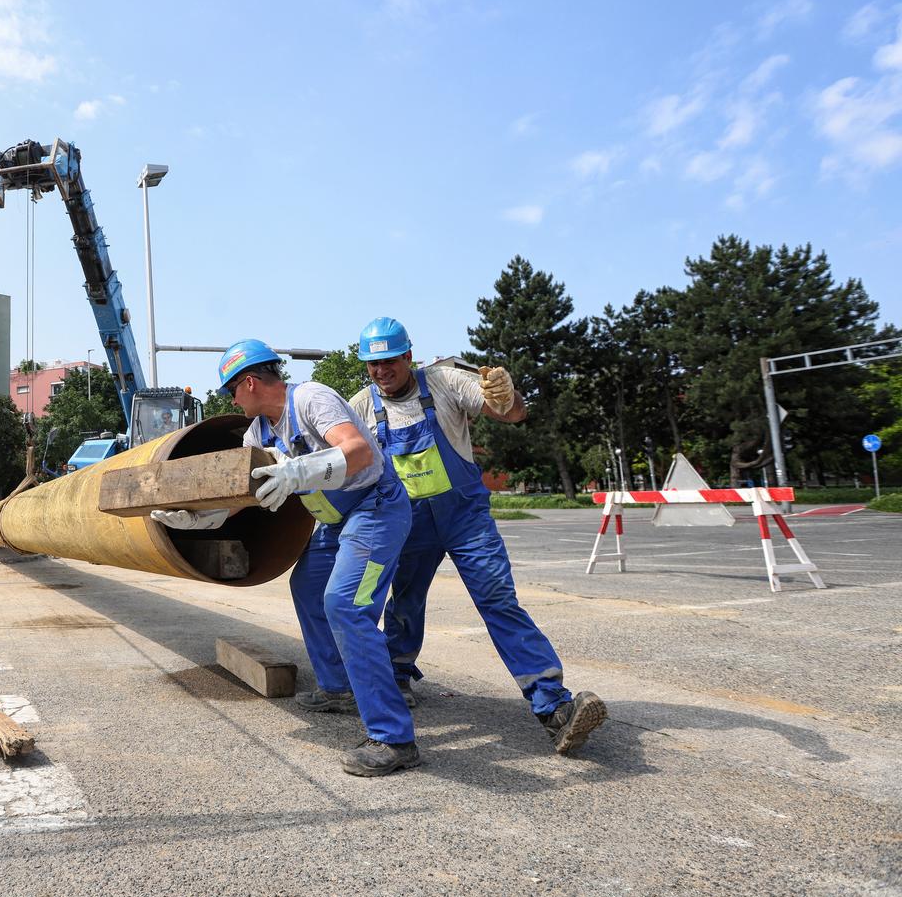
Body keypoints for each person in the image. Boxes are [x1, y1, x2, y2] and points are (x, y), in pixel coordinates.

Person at [153, 340, 420, 777]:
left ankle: (394, 738)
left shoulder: (311, 397)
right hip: (337, 521)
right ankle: (337, 688)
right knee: (308, 586)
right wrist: (202, 519)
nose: (231, 400)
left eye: (230, 391)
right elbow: (247, 495)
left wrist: (298, 470)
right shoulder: (256, 434)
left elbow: (359, 451)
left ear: (250, 382)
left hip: (377, 508)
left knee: (347, 605)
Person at [348, 317, 606, 754]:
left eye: (389, 361)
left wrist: (508, 396)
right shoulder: (359, 406)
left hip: (465, 518)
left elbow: (513, 414)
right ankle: (397, 673)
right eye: (372, 364)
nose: (381, 371)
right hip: (406, 522)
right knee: (405, 601)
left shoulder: (446, 382)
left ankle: (553, 705)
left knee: (498, 599)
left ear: (408, 356)